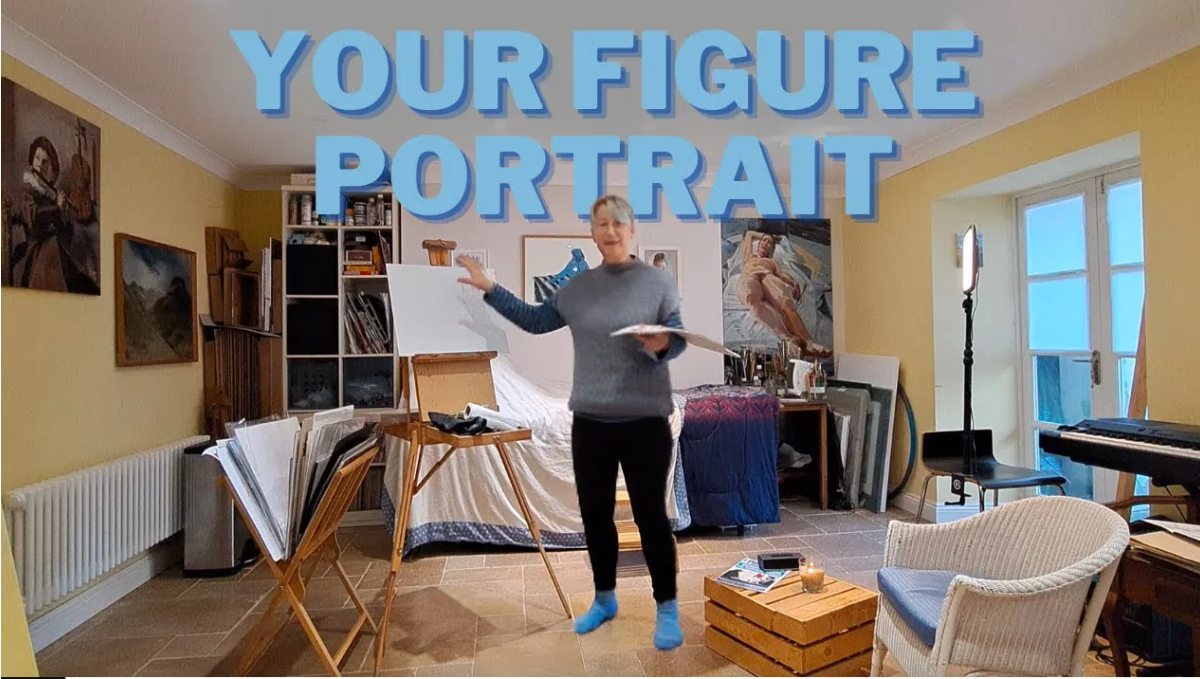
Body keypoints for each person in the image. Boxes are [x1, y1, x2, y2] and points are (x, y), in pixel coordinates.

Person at [456, 194, 687, 650]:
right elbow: (535, 319)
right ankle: (605, 599)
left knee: (650, 517)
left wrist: (662, 341)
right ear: (593, 234)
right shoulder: (579, 288)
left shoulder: (656, 283)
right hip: (592, 422)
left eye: (618, 223)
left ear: (631, 230)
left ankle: (666, 607)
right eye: (602, 224)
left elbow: (677, 339)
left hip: (645, 420)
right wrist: (490, 288)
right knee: (595, 515)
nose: (611, 231)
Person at [736, 230, 831, 358]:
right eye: (764, 241)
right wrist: (771, 236)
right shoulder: (749, 257)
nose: (766, 243)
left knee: (786, 304)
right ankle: (788, 338)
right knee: (752, 301)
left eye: (769, 243)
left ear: (772, 248)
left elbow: (781, 274)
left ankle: (808, 343)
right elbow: (749, 234)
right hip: (750, 277)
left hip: (767, 277)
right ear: (758, 244)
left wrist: (794, 283)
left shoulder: (772, 262)